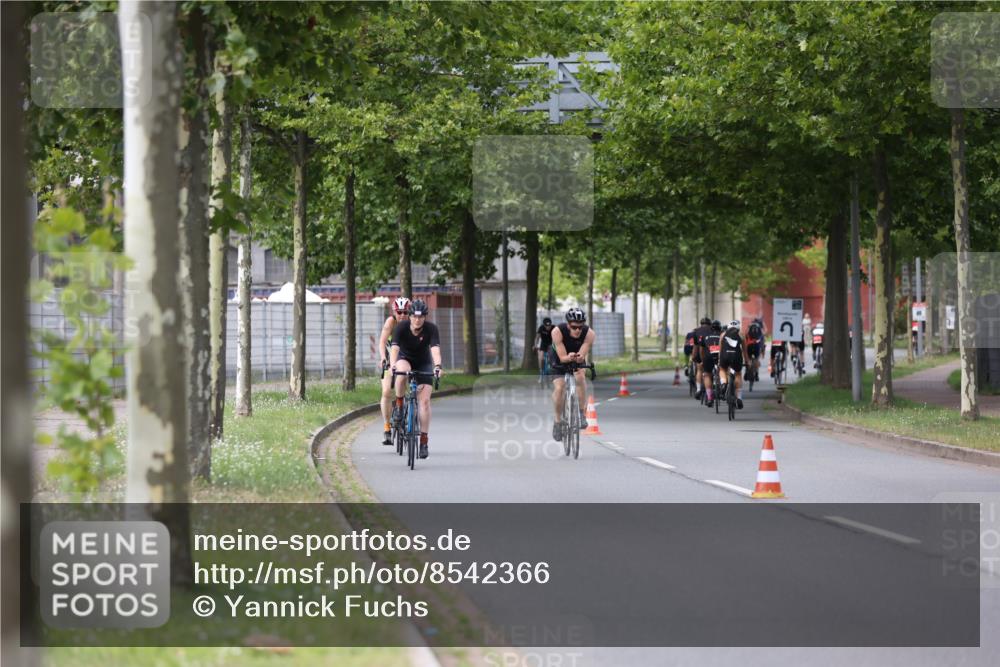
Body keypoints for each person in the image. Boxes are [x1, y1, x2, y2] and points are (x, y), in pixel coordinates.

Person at [389, 299, 442, 460]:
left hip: (423, 363)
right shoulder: (401, 327)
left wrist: (438, 366)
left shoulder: (431, 329)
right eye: (414, 316)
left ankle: (424, 441)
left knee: (424, 402)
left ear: (425, 317)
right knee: (402, 371)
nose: (417, 320)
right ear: (410, 316)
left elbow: (435, 350)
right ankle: (399, 406)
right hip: (404, 358)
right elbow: (395, 348)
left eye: (421, 317)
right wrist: (392, 365)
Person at [549, 307, 596, 440]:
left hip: (575, 356)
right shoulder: (557, 331)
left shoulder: (589, 334)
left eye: (580, 327)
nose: (577, 330)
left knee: (580, 377)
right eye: (574, 327)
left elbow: (582, 353)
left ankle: (581, 413)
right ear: (568, 324)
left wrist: (579, 357)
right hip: (559, 357)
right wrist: (567, 357)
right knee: (560, 388)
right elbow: (563, 357)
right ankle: (558, 422)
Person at [378, 297, 410, 445]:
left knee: (404, 382)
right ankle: (386, 428)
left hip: (406, 359)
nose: (402, 315)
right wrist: (383, 358)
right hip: (391, 359)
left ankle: (401, 408)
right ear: (394, 312)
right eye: (399, 312)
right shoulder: (391, 322)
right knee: (385, 392)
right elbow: (382, 342)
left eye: (405, 312)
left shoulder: (413, 323)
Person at [719, 320, 750, 409]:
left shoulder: (723, 334)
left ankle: (724, 383)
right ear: (738, 327)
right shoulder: (741, 334)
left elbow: (720, 350)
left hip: (724, 356)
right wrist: (747, 362)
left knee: (722, 369)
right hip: (736, 357)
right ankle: (739, 398)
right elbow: (744, 351)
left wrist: (719, 361)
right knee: (738, 374)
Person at [699, 320, 723, 407]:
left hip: (708, 356)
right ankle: (723, 386)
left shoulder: (706, 336)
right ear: (720, 328)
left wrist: (702, 360)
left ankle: (709, 398)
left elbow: (701, 350)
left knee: (707, 375)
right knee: (723, 370)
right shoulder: (723, 335)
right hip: (720, 356)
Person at [691, 317, 713, 400]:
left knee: (699, 370)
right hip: (711, 353)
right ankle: (714, 384)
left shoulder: (696, 331)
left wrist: (693, 356)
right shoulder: (713, 329)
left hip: (701, 354)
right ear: (710, 324)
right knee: (711, 371)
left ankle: (699, 389)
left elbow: (695, 346)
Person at [744, 317, 764, 382]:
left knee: (748, 359)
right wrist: (762, 348)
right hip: (756, 346)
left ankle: (747, 372)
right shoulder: (759, 328)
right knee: (756, 359)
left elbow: (745, 335)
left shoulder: (749, 327)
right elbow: (762, 339)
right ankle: (756, 374)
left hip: (749, 345)